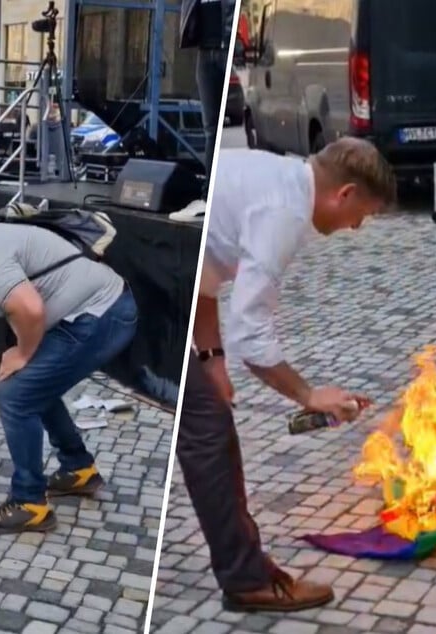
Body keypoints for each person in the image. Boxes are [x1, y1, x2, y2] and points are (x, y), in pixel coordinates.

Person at [176, 137, 398, 611]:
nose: (356, 227)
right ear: (345, 193)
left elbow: (206, 271)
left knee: (206, 425)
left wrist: (210, 356)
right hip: (151, 291)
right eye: (362, 214)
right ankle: (247, 581)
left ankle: (245, 573)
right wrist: (309, 395)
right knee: (209, 436)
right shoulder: (285, 213)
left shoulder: (273, 174)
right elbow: (250, 331)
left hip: (167, 281)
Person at [0, 211, 138, 534]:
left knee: (15, 394)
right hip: (87, 314)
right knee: (31, 385)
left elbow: (30, 308)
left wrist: (22, 353)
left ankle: (29, 502)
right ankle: (78, 469)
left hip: (103, 311)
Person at [171, 0, 236, 223]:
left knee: (221, 128)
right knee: (211, 129)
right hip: (205, 53)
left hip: (226, 49)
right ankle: (209, 194)